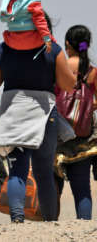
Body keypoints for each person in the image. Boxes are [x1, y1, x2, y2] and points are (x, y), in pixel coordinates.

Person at [0, 9, 76, 222]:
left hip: (13, 111)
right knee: (44, 172)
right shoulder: (52, 49)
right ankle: (50, 221)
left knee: (17, 169)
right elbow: (68, 84)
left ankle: (17, 219)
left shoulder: (3, 49)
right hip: (44, 113)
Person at [55, 25, 97, 220]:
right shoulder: (92, 71)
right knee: (81, 189)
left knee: (52, 188)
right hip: (83, 137)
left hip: (57, 135)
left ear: (67, 44)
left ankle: (49, 227)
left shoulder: (59, 66)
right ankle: (83, 230)